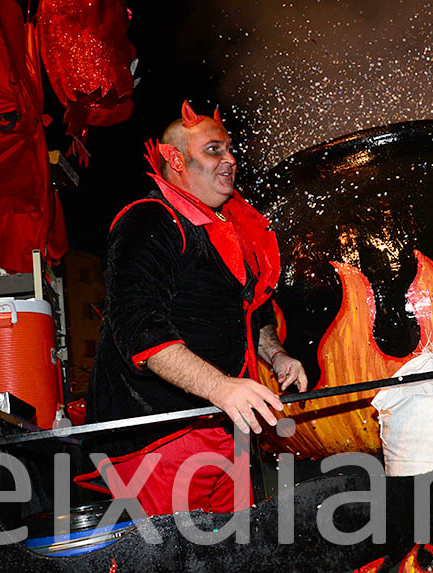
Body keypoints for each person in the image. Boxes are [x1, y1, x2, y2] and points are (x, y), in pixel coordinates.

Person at [76, 101, 307, 516]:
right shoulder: (149, 219)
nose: (231, 160)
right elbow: (139, 327)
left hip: (223, 429)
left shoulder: (227, 230)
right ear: (175, 159)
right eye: (214, 150)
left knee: (236, 560)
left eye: (230, 149)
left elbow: (252, 313)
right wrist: (221, 387)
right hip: (160, 440)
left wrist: (277, 354)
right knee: (173, 571)